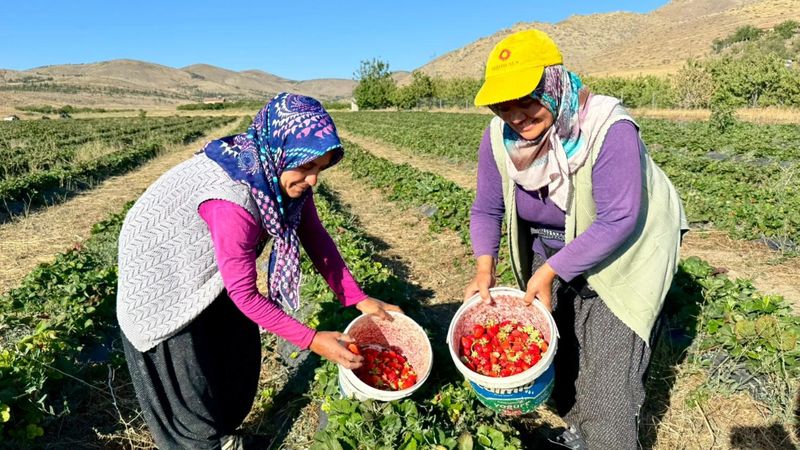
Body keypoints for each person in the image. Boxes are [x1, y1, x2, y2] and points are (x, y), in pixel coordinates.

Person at [116, 93, 401, 449]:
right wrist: (312, 341)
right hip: (163, 280)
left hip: (210, 269)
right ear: (280, 152)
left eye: (321, 168)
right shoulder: (233, 199)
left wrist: (358, 300)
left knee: (235, 360)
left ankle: (224, 436)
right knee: (190, 400)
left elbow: (313, 234)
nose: (313, 180)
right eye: (307, 166)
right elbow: (244, 294)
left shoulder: (275, 173)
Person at [463, 30, 687, 449]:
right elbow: (486, 207)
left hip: (623, 253)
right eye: (502, 104)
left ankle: (608, 438)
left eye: (526, 100)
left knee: (607, 379)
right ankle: (579, 432)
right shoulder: (499, 138)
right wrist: (484, 268)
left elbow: (619, 218)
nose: (515, 116)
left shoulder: (607, 127)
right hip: (554, 247)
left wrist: (549, 272)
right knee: (564, 356)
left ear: (552, 84)